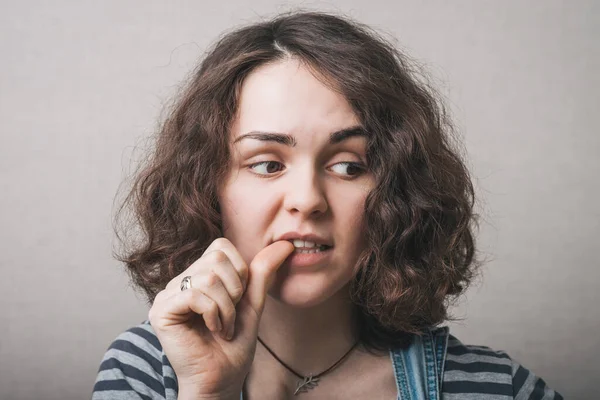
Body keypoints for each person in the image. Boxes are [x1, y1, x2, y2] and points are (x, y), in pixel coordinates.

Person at [92, 11, 563, 400]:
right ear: (206, 187)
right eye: (267, 164)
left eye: (348, 167)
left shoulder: (495, 387)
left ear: (397, 192)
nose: (307, 201)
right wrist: (208, 393)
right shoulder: (148, 370)